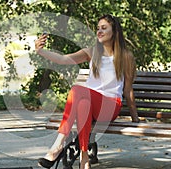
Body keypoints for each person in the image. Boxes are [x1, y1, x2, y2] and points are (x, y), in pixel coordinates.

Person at [34, 14, 140, 169]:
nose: (99, 31)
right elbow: (63, 60)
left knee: (77, 90)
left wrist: (135, 118)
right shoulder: (91, 52)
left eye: (104, 28)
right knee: (83, 104)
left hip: (110, 106)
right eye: (98, 28)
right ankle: (84, 159)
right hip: (90, 102)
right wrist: (40, 51)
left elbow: (128, 89)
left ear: (115, 31)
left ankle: (57, 146)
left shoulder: (125, 56)